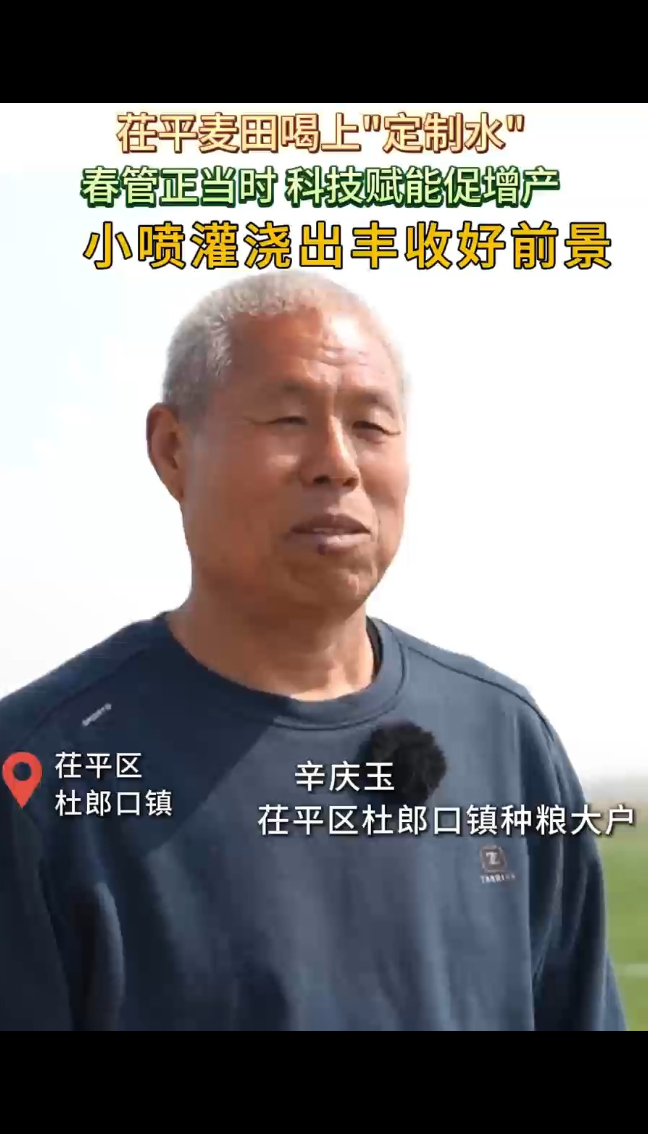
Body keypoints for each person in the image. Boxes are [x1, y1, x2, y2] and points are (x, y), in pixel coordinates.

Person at [0, 271, 626, 1031]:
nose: (338, 463)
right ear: (173, 450)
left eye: (371, 426)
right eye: (289, 419)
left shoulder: (504, 738)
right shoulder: (39, 771)